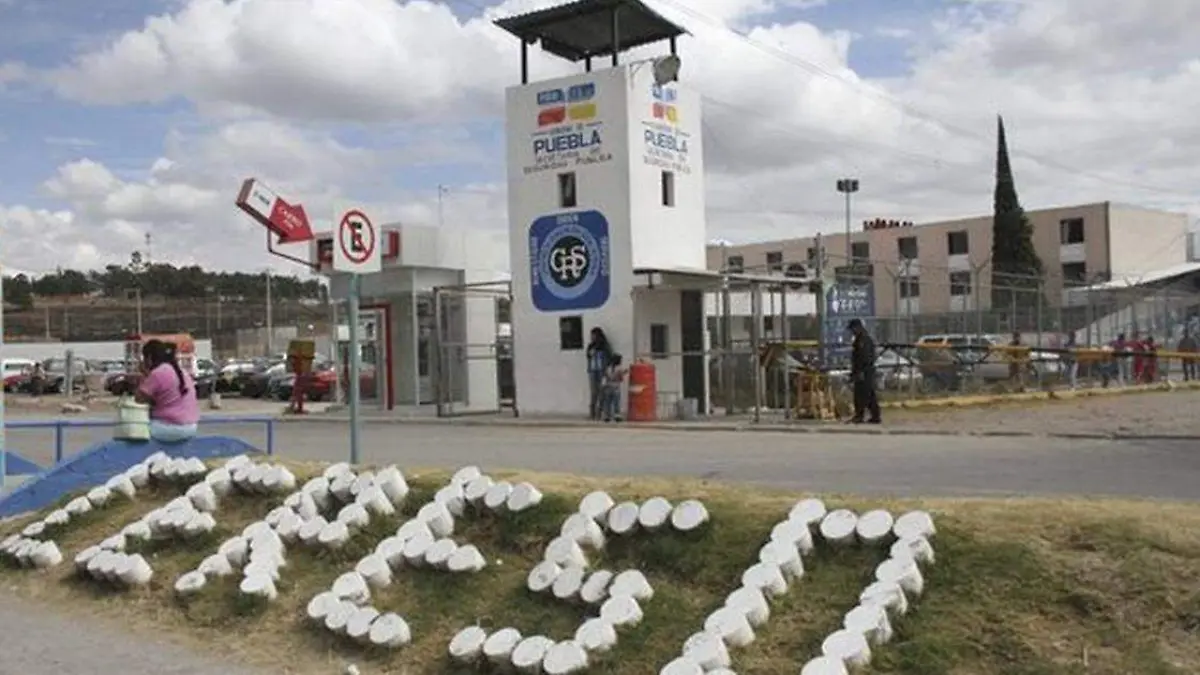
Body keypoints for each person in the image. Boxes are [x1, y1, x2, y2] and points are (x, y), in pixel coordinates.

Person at [135, 339, 200, 442]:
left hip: (171, 428)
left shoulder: (158, 373)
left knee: (134, 431)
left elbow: (139, 398)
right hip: (191, 426)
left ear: (149, 358)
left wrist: (144, 374)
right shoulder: (181, 372)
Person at [847, 319, 880, 424]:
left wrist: (859, 372)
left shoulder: (863, 340)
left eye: (853, 329)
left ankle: (860, 415)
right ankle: (874, 416)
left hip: (864, 371)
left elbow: (864, 357)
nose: (852, 331)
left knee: (861, 394)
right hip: (864, 371)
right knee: (868, 394)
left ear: (858, 327)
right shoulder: (862, 339)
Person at [585, 327, 612, 420]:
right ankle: (592, 413)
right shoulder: (591, 346)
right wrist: (590, 353)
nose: (592, 337)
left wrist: (607, 369)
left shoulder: (604, 346)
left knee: (602, 392)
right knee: (593, 392)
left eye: (593, 335)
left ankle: (599, 413)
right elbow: (588, 356)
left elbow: (609, 357)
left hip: (602, 371)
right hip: (593, 370)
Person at [600, 353, 627, 422]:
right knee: (616, 403)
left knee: (608, 402)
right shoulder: (619, 368)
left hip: (608, 386)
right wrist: (624, 373)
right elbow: (620, 378)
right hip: (616, 387)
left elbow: (605, 377)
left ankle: (607, 416)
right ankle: (617, 415)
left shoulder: (608, 368)